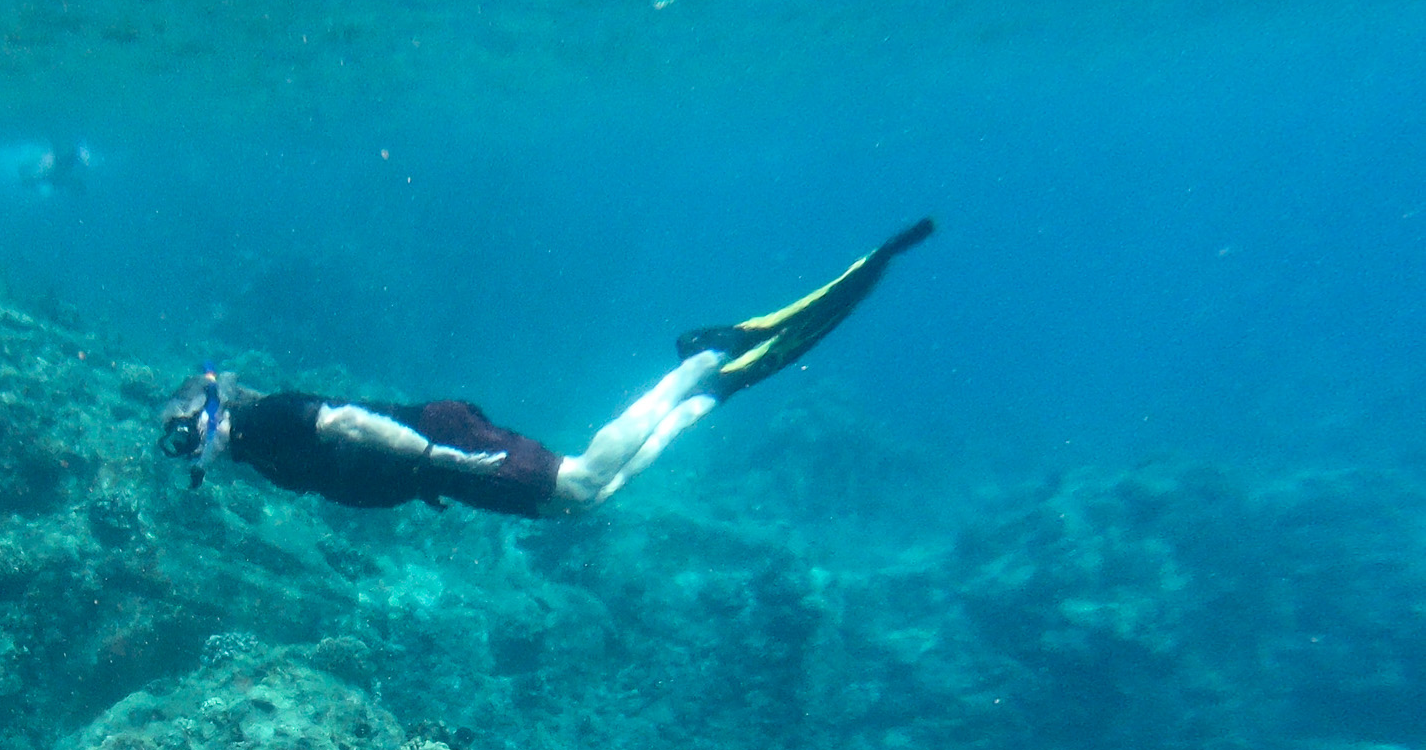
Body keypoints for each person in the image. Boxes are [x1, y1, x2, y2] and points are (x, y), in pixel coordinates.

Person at [157, 219, 933, 516]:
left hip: (441, 443)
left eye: (185, 436)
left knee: (584, 479)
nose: (191, 454)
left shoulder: (261, 418)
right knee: (584, 500)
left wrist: (436, 455)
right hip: (441, 464)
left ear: (212, 413)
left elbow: (351, 422)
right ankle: (705, 397)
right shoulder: (250, 446)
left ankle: (696, 366)